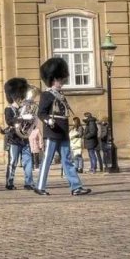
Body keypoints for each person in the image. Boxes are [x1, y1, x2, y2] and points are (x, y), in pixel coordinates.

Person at [34, 57, 89, 196]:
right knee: (47, 160)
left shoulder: (61, 95)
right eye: (59, 80)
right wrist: (48, 121)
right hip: (52, 131)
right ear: (53, 79)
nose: (62, 82)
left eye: (62, 79)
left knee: (67, 160)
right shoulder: (47, 94)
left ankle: (76, 187)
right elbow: (41, 113)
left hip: (63, 131)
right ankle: (40, 186)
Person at [2, 78, 36, 191]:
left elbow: (30, 122)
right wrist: (21, 117)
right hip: (14, 138)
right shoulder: (9, 109)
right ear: (14, 97)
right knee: (13, 162)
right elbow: (9, 121)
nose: (21, 99)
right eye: (19, 97)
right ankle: (9, 182)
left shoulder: (24, 108)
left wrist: (31, 119)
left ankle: (29, 182)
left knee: (28, 161)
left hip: (24, 137)